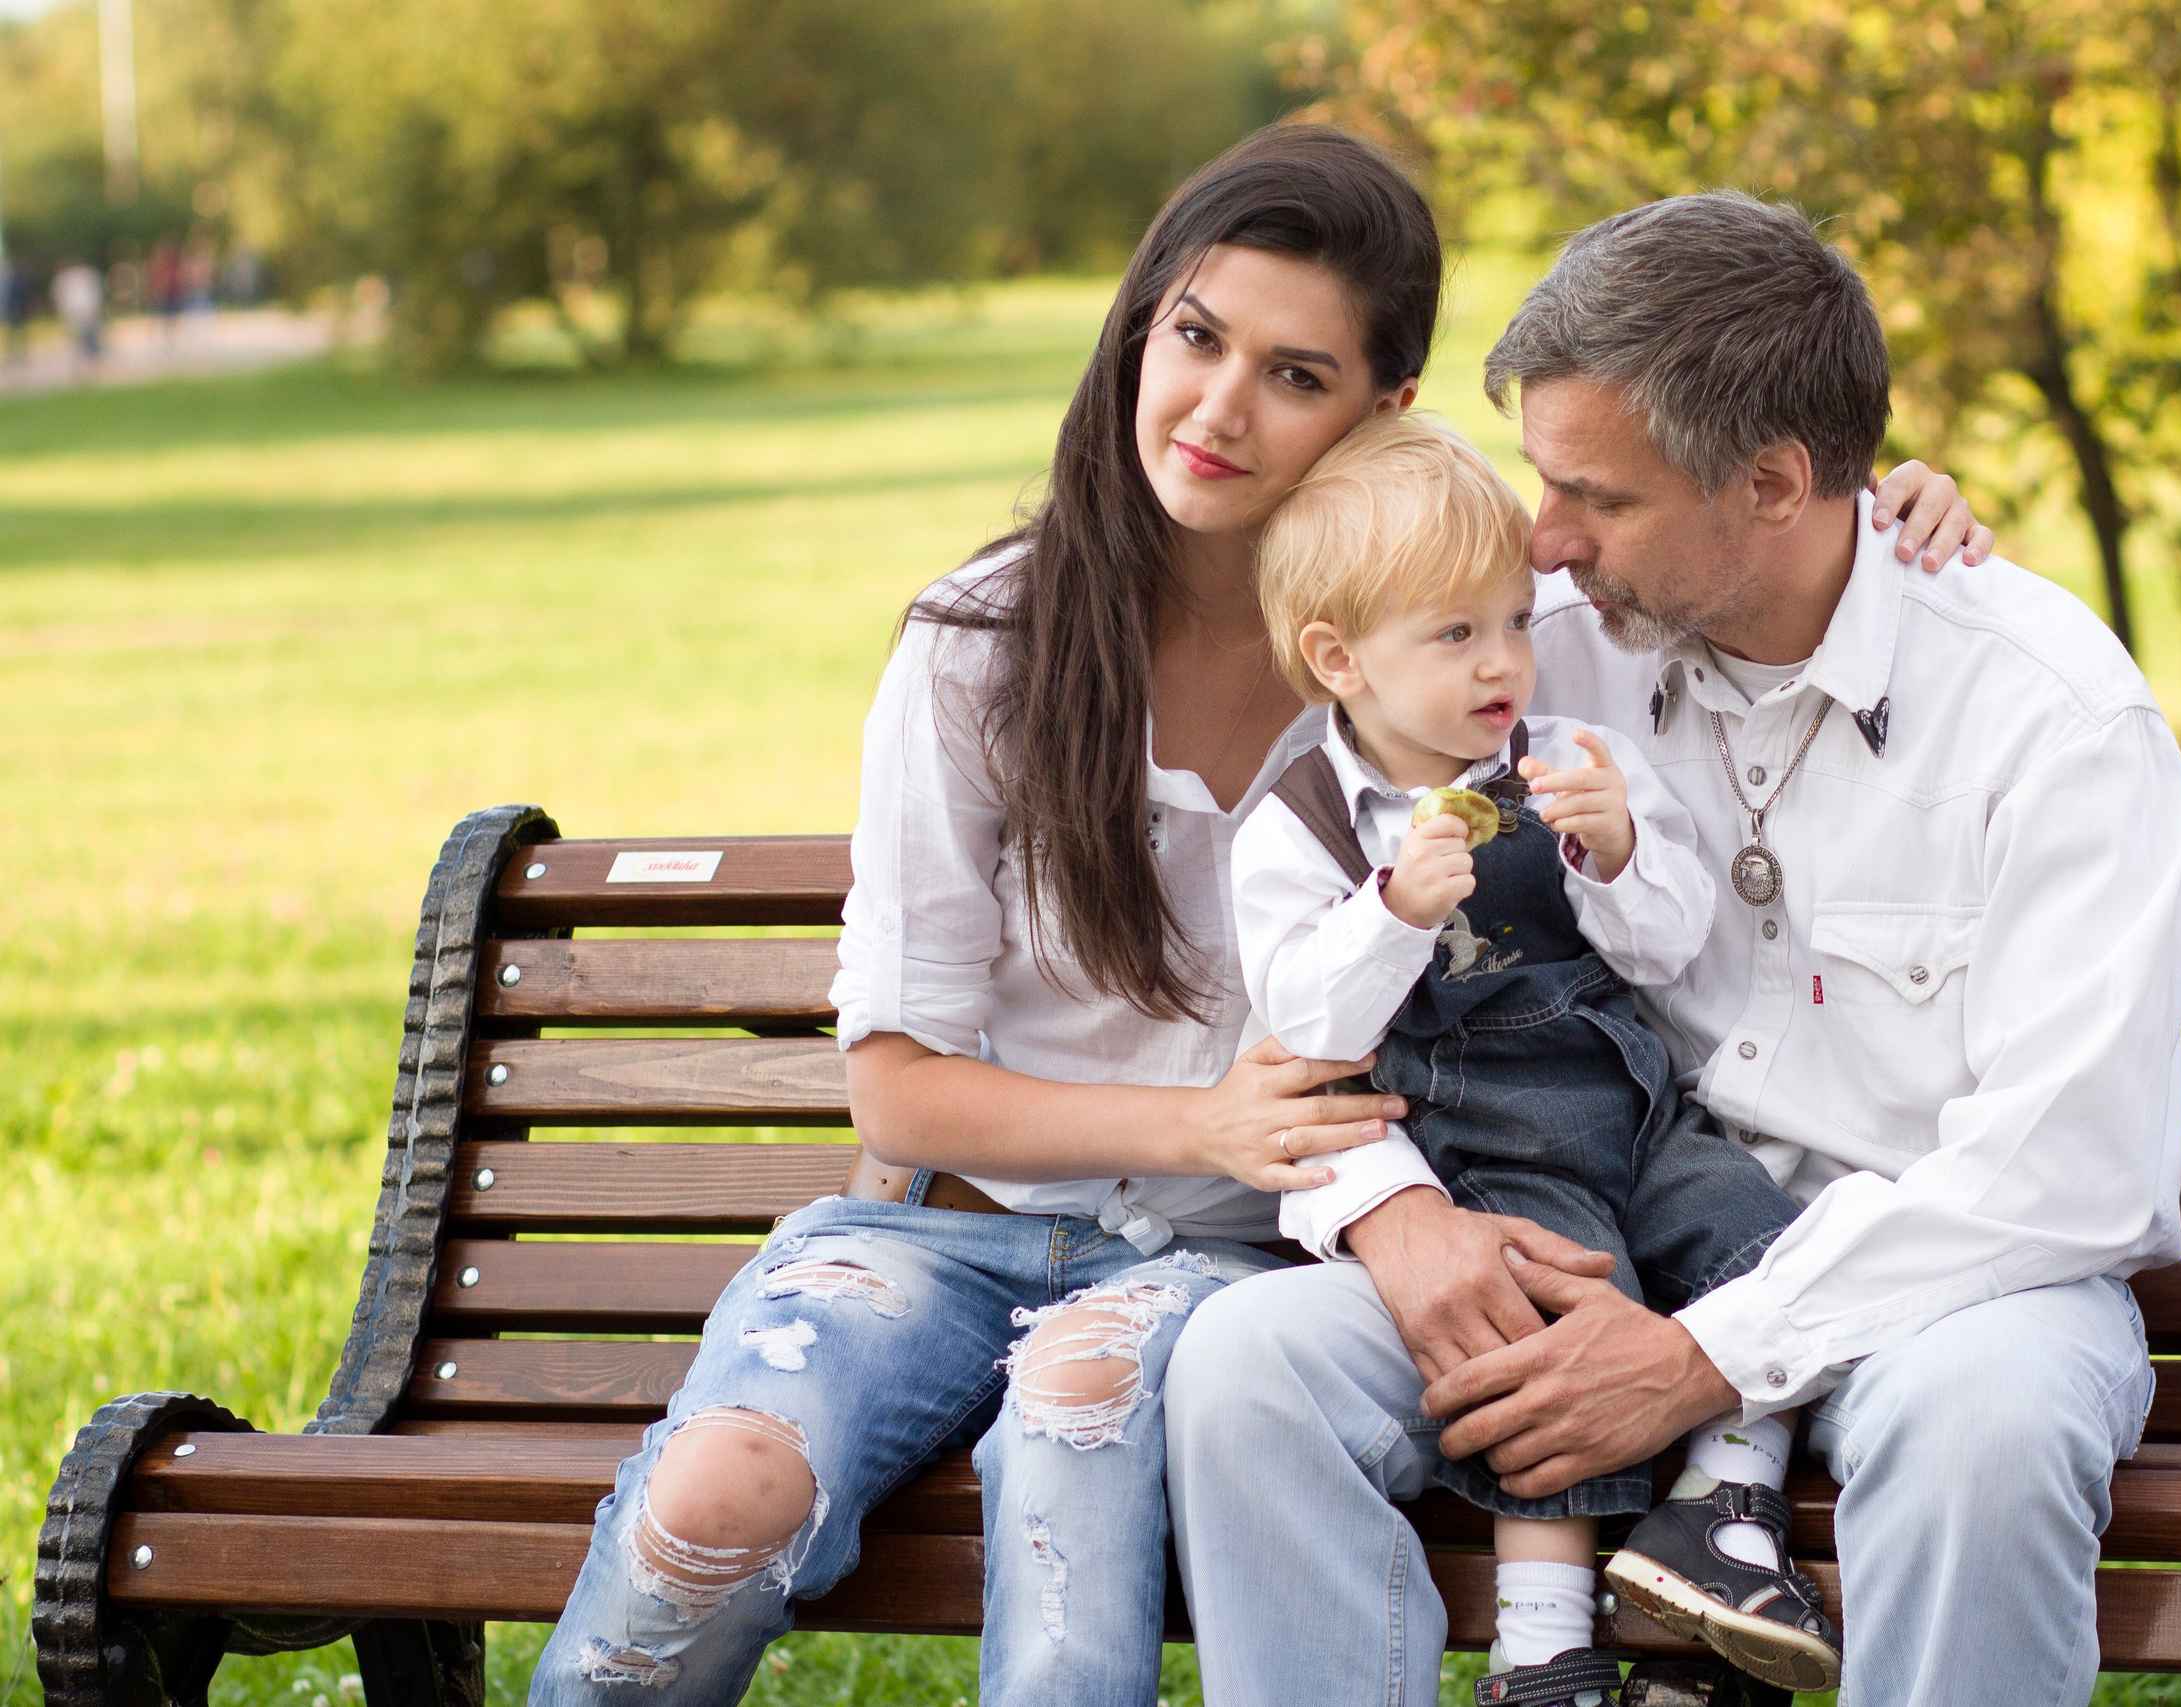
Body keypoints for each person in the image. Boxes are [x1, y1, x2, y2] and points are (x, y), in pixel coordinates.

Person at [529, 125, 1991, 1707]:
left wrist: (1885, 505)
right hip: (949, 1231)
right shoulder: (983, 645)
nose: (1219, 409)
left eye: (1296, 376)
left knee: (1082, 1429)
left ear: (1385, 412)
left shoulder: (1485, 640)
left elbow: (1735, 544)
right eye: (1194, 336)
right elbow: (894, 1084)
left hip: (1230, 1267)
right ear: (1140, 324)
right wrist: (1204, 1126)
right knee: (712, 1502)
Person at [1166, 191, 2181, 1707]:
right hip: (1575, 1216)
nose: (1544, 540)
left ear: (1777, 483)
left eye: (1595, 492)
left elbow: (2070, 1169)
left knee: (1990, 1431)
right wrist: (1401, 1223)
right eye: (1541, 480)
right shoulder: (1536, 648)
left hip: (1949, 1276)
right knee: (1249, 1368)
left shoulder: (2047, 719)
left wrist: (1702, 1355)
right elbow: (1323, 955)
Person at [1234, 413, 1836, 1703]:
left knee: (1763, 1241)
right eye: (1455, 636)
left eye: (1513, 620)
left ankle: (1725, 1518)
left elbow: (1669, 948)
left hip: (1629, 1096)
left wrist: (1619, 854)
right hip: (1490, 1139)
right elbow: (1309, 1029)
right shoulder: (1302, 829)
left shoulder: (1564, 761)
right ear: (1339, 659)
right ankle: (1542, 1647)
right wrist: (1391, 915)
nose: (1505, 660)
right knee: (1544, 1345)